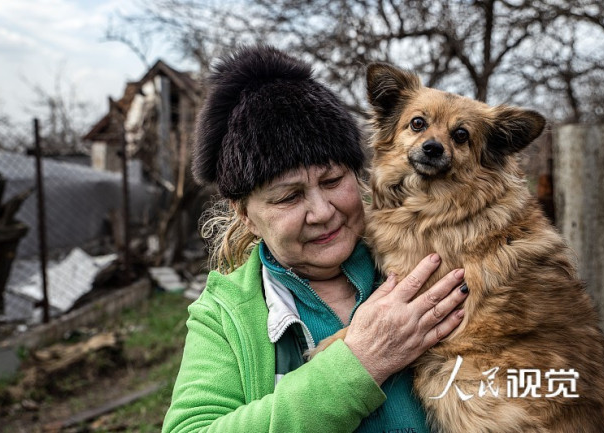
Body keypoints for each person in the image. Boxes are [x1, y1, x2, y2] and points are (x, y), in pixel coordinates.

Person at [162, 45, 468, 433]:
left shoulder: (432, 256)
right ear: (245, 215)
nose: (322, 212)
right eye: (289, 196)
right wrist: (359, 363)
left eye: (332, 180)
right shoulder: (226, 316)